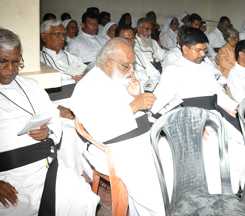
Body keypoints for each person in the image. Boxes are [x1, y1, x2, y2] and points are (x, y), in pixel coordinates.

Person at [0, 27, 99, 216]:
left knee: (81, 196)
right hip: (7, 177)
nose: (11, 68)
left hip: (46, 166)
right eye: (2, 61)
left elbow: (53, 119)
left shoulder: (31, 86)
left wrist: (48, 132)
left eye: (16, 61)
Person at [70, 38, 170, 215]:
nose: (132, 70)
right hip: (114, 148)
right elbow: (101, 130)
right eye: (127, 65)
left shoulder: (119, 76)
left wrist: (137, 96)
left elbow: (141, 114)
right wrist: (134, 105)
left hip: (141, 138)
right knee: (152, 187)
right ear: (109, 63)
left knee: (177, 160)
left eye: (133, 64)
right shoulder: (86, 87)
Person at [153, 27, 245, 199]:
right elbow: (164, 102)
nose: (202, 54)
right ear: (185, 49)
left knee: (243, 142)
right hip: (190, 117)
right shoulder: (172, 69)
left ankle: (233, 189)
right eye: (198, 50)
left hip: (214, 114)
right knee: (213, 149)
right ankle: (211, 195)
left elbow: (218, 94)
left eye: (204, 50)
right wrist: (188, 121)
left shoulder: (205, 67)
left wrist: (237, 107)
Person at [39, 19, 91, 177]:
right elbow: (39, 97)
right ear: (44, 36)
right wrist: (60, 110)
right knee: (69, 134)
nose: (62, 38)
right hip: (58, 107)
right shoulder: (38, 61)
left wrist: (84, 80)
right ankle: (73, 176)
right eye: (57, 34)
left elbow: (87, 78)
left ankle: (98, 171)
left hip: (80, 103)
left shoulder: (71, 56)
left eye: (63, 34)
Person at [163, 25, 227, 87]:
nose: (203, 54)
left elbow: (214, 72)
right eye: (198, 50)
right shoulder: (172, 56)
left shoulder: (201, 57)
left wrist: (224, 82)